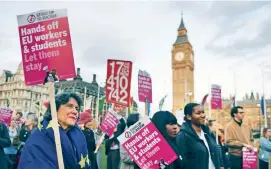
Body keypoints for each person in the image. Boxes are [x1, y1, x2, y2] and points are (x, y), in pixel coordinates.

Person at [18, 92, 91, 169]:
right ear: (55, 109)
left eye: (77, 108)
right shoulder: (37, 140)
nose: (75, 111)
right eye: (70, 106)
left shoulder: (79, 136)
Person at [176, 103, 222, 169]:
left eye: (203, 112)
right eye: (198, 113)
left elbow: (217, 150)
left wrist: (221, 165)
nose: (203, 115)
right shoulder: (183, 136)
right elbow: (182, 162)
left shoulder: (208, 132)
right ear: (189, 116)